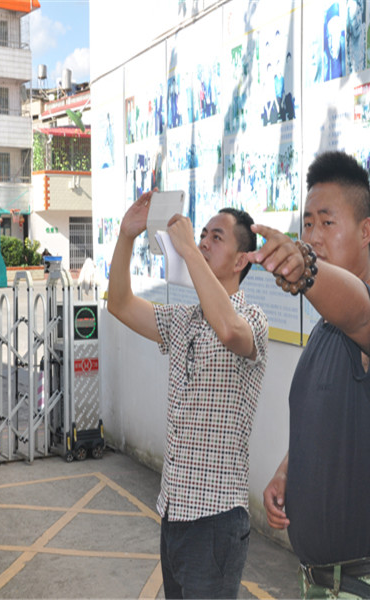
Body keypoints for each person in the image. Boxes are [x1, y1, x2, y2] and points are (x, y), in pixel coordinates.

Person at [249, 151, 370, 598]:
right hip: (322, 582)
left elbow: (357, 306)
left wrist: (305, 269)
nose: (313, 236)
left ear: (365, 232)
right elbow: (327, 420)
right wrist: (288, 471)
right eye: (307, 224)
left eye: (327, 223)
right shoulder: (326, 330)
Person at [107, 192, 269, 598]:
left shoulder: (252, 320)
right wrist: (126, 236)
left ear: (240, 261)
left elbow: (229, 331)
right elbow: (120, 304)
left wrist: (188, 251)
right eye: (202, 235)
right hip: (174, 513)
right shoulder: (185, 320)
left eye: (216, 237)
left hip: (216, 520)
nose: (203, 242)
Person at [323, 2, 346, 81]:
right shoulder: (325, 62)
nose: (331, 43)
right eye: (329, 37)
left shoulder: (346, 56)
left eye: (334, 35)